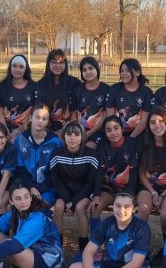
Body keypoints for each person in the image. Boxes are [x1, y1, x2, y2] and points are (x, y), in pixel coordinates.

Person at [68, 193, 152, 268]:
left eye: (127, 207)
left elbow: (136, 263)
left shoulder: (141, 228)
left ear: (135, 209)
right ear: (113, 206)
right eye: (118, 206)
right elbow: (87, 252)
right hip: (109, 265)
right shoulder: (107, 223)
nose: (121, 210)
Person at [136, 106, 166, 260]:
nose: (157, 125)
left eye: (161, 121)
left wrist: (163, 194)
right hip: (148, 187)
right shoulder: (145, 144)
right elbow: (141, 173)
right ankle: (140, 248)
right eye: (153, 122)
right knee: (143, 209)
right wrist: (153, 192)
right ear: (148, 126)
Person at [50, 121, 98, 251]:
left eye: (76, 134)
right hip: (64, 192)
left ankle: (83, 246)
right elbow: (56, 180)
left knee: (80, 207)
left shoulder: (91, 155)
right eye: (69, 134)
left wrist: (74, 201)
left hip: (84, 192)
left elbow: (90, 182)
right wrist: (67, 199)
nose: (72, 138)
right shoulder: (56, 155)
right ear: (63, 136)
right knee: (59, 207)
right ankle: (57, 244)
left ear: (82, 136)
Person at [88, 115, 139, 234]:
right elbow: (100, 171)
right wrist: (96, 195)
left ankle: (128, 241)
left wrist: (130, 195)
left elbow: (134, 171)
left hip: (128, 189)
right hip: (109, 188)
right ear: (105, 132)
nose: (113, 132)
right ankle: (96, 246)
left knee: (124, 209)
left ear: (122, 129)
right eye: (109, 130)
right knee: (95, 208)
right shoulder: (103, 146)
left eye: (116, 128)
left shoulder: (132, 144)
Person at [14, 104, 63, 205]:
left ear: (48, 121)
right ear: (31, 118)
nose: (40, 121)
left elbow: (56, 172)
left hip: (48, 188)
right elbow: (19, 170)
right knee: (19, 206)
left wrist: (39, 189)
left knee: (39, 207)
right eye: (37, 117)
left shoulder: (55, 142)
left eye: (44, 119)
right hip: (25, 186)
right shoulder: (20, 140)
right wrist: (31, 187)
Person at [106, 58, 154, 138]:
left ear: (137, 72)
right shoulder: (114, 89)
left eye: (127, 70)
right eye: (122, 71)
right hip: (118, 134)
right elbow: (110, 117)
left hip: (139, 134)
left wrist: (131, 138)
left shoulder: (146, 92)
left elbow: (144, 119)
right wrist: (118, 136)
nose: (124, 73)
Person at [0, 54, 37, 140]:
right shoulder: (2, 86)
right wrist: (5, 131)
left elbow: (35, 113)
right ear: (10, 68)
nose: (17, 69)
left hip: (27, 129)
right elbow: (0, 114)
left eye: (21, 67)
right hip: (6, 129)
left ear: (26, 69)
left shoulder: (34, 87)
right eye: (14, 66)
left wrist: (22, 129)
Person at [70, 56, 110, 148]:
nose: (88, 72)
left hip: (99, 131)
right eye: (84, 70)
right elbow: (73, 115)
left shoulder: (106, 89)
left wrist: (88, 134)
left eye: (91, 68)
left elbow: (106, 116)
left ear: (97, 69)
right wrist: (79, 132)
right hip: (79, 131)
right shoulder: (77, 90)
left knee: (88, 148)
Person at [37, 49, 81, 132]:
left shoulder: (74, 83)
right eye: (54, 62)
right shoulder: (41, 85)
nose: (57, 65)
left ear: (65, 64)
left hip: (68, 129)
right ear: (48, 63)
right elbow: (39, 110)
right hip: (46, 128)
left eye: (61, 62)